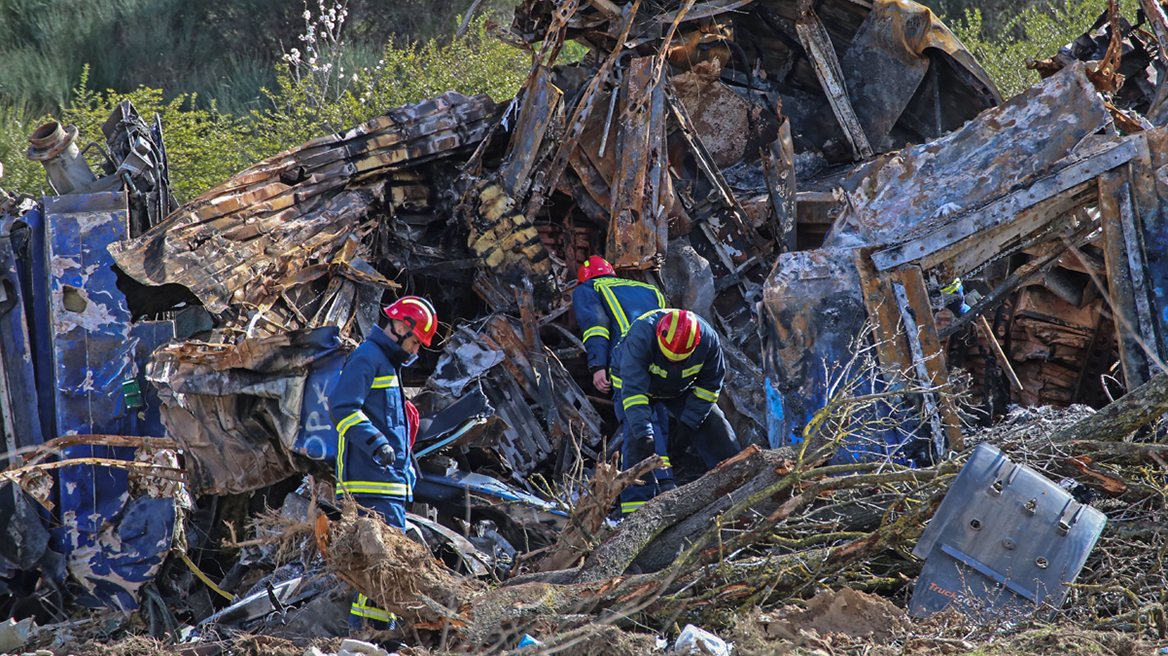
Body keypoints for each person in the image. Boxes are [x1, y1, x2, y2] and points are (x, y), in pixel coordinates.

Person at [330, 295, 437, 632]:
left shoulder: (387, 364)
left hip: (387, 486)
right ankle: (372, 637)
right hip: (371, 485)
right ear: (401, 326)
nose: (416, 351)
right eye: (415, 342)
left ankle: (374, 637)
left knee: (383, 568)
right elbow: (342, 408)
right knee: (382, 567)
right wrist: (376, 444)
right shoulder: (367, 357)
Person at [611, 308, 741, 515]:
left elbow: (709, 387)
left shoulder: (708, 340)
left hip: (679, 387)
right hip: (633, 386)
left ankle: (739, 484)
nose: (673, 361)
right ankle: (635, 512)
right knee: (637, 440)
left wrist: (690, 423)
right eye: (669, 356)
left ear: (695, 343)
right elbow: (634, 391)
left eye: (679, 358)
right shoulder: (641, 335)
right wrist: (644, 432)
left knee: (716, 425)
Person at [571, 256, 673, 502]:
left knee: (636, 424)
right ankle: (666, 479)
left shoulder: (589, 288)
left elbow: (597, 327)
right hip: (663, 363)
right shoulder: (649, 290)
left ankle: (647, 491)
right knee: (658, 419)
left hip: (629, 364)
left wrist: (597, 366)